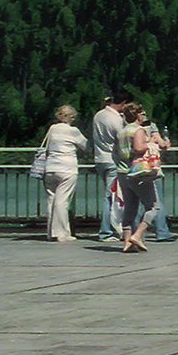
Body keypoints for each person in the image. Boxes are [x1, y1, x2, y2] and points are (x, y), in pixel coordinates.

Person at [115, 101, 169, 253]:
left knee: (130, 208)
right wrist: (151, 143)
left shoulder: (122, 131)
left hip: (122, 171)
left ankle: (127, 241)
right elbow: (138, 148)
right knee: (153, 206)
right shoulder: (138, 130)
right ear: (138, 116)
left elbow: (117, 151)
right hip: (137, 172)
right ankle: (137, 235)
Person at [39, 104, 88, 243]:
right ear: (72, 117)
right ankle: (61, 233)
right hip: (67, 167)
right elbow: (85, 146)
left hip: (50, 167)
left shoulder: (52, 128)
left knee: (51, 199)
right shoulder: (73, 131)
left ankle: (51, 232)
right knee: (62, 201)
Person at [89, 93, 126, 242]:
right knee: (111, 197)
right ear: (122, 103)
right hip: (112, 160)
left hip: (99, 159)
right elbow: (121, 141)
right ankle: (106, 231)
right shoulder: (116, 120)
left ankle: (111, 229)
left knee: (109, 196)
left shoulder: (98, 115)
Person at [139, 107, 177, 242]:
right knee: (156, 200)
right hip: (151, 165)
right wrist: (163, 143)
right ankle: (161, 231)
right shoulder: (149, 127)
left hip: (136, 166)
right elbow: (161, 143)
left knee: (138, 201)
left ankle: (138, 232)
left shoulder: (129, 127)